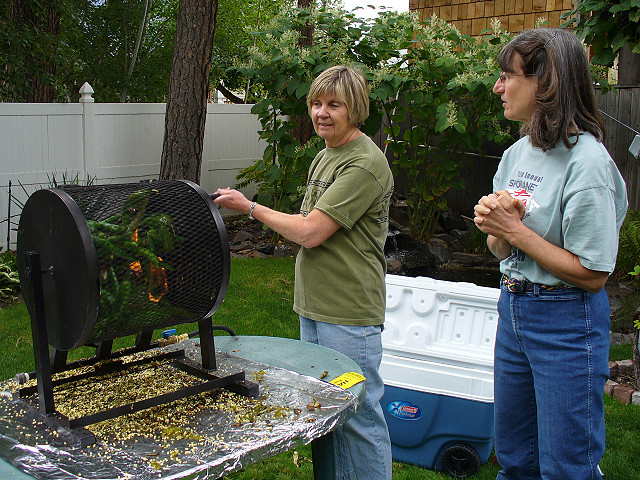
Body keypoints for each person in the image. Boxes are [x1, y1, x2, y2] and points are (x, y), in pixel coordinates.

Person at [214, 65, 393, 480]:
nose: (322, 112)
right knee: (325, 412)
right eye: (316, 103)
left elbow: (311, 232)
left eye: (334, 104)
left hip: (348, 309)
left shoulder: (363, 163)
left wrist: (250, 208)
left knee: (359, 416)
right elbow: (307, 221)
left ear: (355, 109)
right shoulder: (326, 154)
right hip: (314, 304)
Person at [473, 28, 628, 480]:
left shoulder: (588, 164)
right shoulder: (519, 153)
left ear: (547, 83)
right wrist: (496, 225)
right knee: (515, 458)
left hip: (567, 321)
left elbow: (593, 273)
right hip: (515, 307)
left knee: (566, 467)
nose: (498, 87)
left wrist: (514, 232)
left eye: (507, 76)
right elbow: (499, 247)